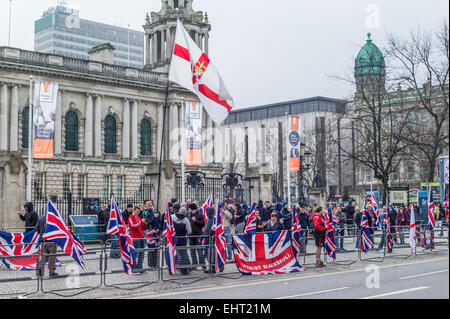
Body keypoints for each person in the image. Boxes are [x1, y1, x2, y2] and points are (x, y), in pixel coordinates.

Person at [35, 214, 58, 278]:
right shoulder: (54, 218)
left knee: (43, 256)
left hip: (44, 240)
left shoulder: (41, 218)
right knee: (52, 257)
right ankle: (52, 272)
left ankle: (40, 267)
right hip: (52, 240)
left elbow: (36, 229)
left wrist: (42, 232)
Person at [172, 207, 192, 275]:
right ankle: (183, 270)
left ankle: (171, 269)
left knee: (173, 254)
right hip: (182, 239)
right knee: (182, 255)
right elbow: (189, 231)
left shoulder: (172, 217)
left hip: (173, 239)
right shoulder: (186, 220)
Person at [143, 200, 161, 269]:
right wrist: (153, 217)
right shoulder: (145, 212)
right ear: (145, 205)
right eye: (148, 203)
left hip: (156, 232)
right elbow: (147, 222)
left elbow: (159, 221)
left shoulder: (156, 211)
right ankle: (150, 265)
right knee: (151, 249)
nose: (150, 204)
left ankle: (155, 264)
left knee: (156, 249)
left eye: (150, 203)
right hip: (150, 232)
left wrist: (158, 228)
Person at [128, 207, 147, 273]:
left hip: (141, 237)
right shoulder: (130, 217)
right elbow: (132, 226)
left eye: (139, 212)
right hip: (135, 238)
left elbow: (143, 227)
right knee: (136, 253)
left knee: (142, 253)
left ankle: (140, 267)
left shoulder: (138, 218)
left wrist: (144, 223)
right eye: (137, 211)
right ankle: (134, 267)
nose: (138, 213)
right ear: (133, 211)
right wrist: (140, 222)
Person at [188, 203, 206, 271]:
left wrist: (196, 221)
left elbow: (203, 224)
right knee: (192, 251)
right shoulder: (189, 215)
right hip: (190, 235)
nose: (188, 209)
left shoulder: (199, 215)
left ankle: (203, 265)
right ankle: (194, 265)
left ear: (192, 209)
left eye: (189, 208)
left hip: (197, 235)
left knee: (199, 251)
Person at [203, 206, 221, 273]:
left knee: (212, 255)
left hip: (212, 241)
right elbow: (206, 228)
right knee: (208, 255)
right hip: (207, 240)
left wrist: (209, 235)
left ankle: (212, 268)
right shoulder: (208, 219)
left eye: (207, 211)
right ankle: (210, 267)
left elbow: (214, 229)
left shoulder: (214, 219)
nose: (206, 213)